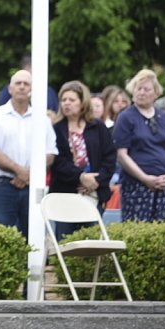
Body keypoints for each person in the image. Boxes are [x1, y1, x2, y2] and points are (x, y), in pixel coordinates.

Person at [0, 70, 57, 237]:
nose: (21, 87)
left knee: (33, 238)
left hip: (32, 187)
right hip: (3, 186)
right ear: (10, 89)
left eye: (26, 84)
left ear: (32, 89)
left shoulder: (42, 119)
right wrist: (20, 171)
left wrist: (29, 174)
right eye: (17, 83)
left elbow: (50, 153)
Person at [50, 81, 117, 239]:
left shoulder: (97, 126)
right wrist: (81, 177)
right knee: (66, 242)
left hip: (94, 193)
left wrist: (95, 181)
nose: (66, 103)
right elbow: (57, 162)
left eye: (71, 100)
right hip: (65, 194)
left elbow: (109, 157)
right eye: (63, 100)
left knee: (92, 241)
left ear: (82, 103)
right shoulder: (56, 128)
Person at [113, 69, 165, 222]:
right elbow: (121, 155)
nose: (141, 92)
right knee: (138, 229)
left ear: (156, 94)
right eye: (138, 88)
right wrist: (145, 178)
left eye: (146, 89)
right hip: (136, 186)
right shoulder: (126, 117)